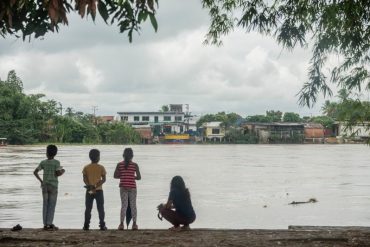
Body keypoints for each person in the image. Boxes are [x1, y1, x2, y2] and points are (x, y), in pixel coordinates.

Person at [34, 144, 65, 230]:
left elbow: (35, 172)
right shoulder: (56, 162)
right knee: (52, 205)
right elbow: (57, 174)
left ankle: (45, 224)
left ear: (47, 153)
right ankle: (50, 223)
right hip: (53, 186)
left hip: (45, 186)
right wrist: (63, 170)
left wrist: (41, 181)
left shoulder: (43, 162)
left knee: (45, 205)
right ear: (55, 153)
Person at [114, 148, 141, 230]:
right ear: (132, 156)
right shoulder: (135, 165)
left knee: (124, 206)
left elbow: (115, 176)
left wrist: (123, 176)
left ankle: (121, 224)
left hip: (123, 187)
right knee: (133, 206)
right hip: (132, 187)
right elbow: (139, 177)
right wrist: (133, 177)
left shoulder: (119, 164)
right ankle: (134, 224)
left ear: (123, 155)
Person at [82, 149, 107, 230]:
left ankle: (86, 225)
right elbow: (103, 179)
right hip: (99, 190)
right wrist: (96, 186)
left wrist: (89, 186)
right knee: (100, 208)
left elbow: (84, 179)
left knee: (88, 208)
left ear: (90, 157)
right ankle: (102, 225)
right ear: (98, 158)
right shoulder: (101, 167)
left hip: (89, 190)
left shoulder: (86, 167)